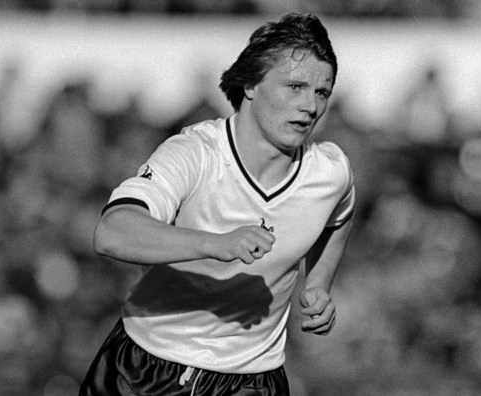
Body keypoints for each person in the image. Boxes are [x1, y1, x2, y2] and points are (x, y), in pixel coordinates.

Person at [80, 12, 355, 396]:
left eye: (321, 92)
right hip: (145, 368)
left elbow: (339, 216)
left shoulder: (330, 171)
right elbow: (112, 232)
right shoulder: (195, 154)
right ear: (251, 84)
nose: (310, 105)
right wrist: (215, 243)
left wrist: (320, 283)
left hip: (254, 381)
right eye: (295, 86)